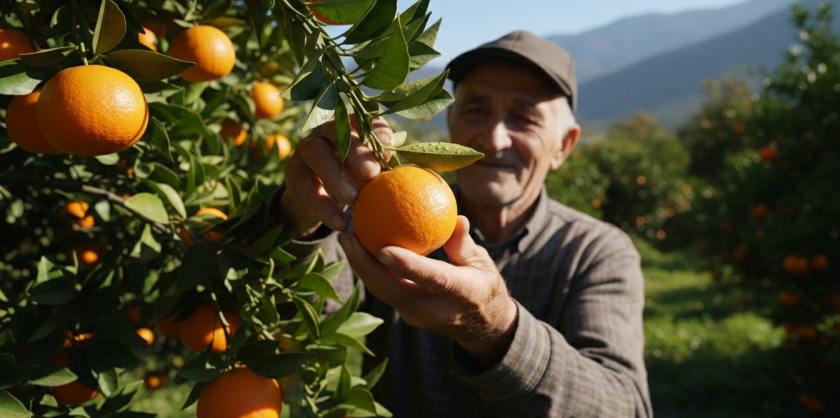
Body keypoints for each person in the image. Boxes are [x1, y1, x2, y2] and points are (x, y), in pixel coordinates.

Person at [268, 30, 652, 417]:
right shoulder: (386, 215)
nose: (494, 138)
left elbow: (625, 406)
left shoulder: (596, 252)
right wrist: (301, 216)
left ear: (564, 146)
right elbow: (292, 313)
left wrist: (496, 329)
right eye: (476, 110)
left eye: (524, 117)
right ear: (450, 121)